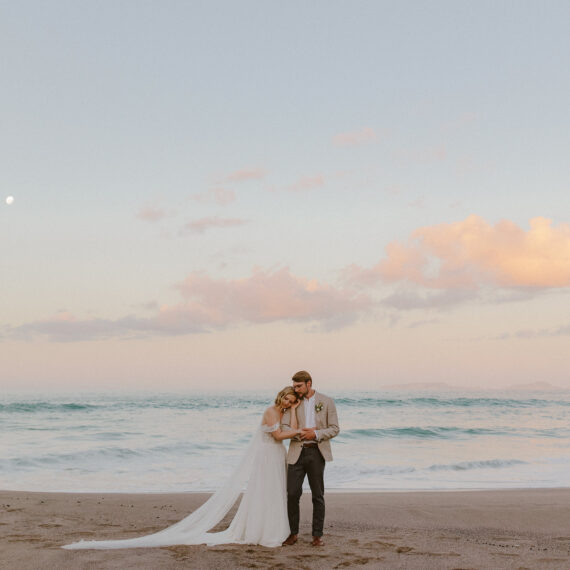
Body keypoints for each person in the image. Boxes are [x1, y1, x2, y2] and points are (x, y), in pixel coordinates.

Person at [62, 387, 301, 549]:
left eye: (292, 401)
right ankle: (261, 532)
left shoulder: (283, 411)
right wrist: (299, 431)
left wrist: (293, 413)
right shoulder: (270, 411)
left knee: (274, 494)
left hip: (275, 457)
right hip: (267, 456)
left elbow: (289, 429)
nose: (287, 403)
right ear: (280, 396)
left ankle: (273, 530)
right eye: (286, 399)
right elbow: (279, 435)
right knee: (264, 494)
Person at [281, 370, 339, 547]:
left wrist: (315, 433)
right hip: (296, 452)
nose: (296, 389)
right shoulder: (293, 402)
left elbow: (335, 428)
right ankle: (293, 533)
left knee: (317, 495)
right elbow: (283, 427)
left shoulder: (327, 401)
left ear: (309, 383)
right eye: (294, 386)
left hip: (316, 452)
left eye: (299, 386)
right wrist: (300, 433)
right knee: (292, 494)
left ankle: (317, 535)